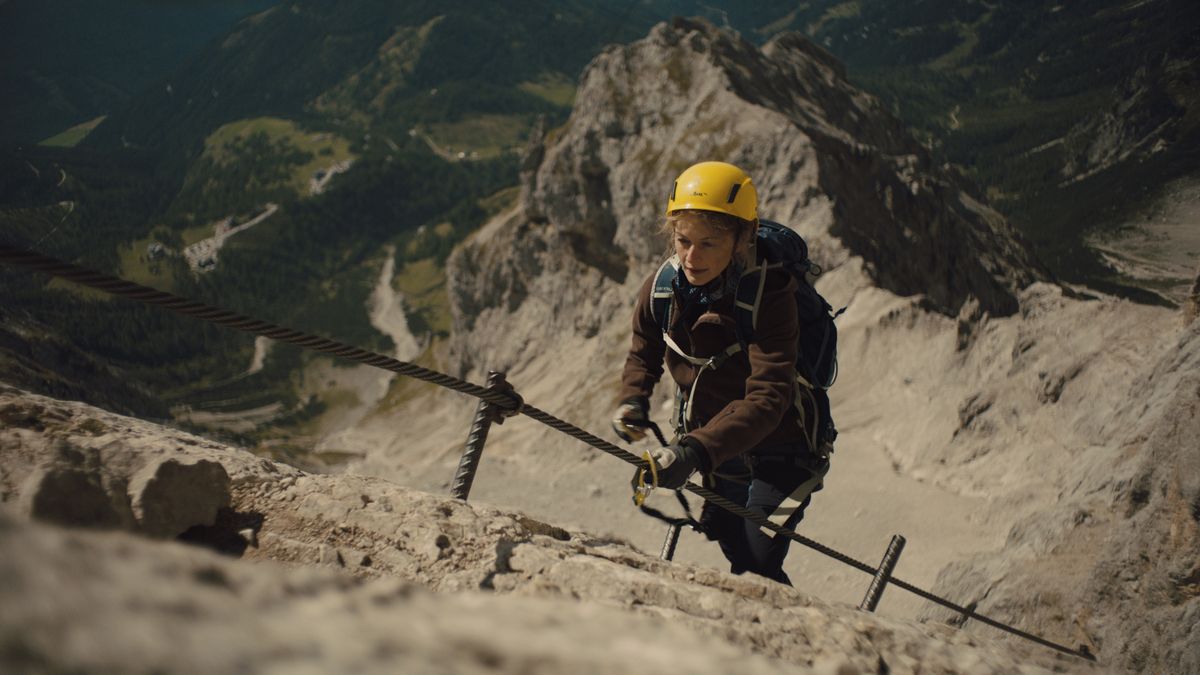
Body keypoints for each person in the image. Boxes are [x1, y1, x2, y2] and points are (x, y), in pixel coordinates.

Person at [612, 160, 830, 586]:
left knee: (756, 561)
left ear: (743, 239)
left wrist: (693, 450)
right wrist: (633, 399)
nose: (692, 257)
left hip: (783, 453)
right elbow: (644, 349)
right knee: (731, 539)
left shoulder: (770, 295)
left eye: (710, 244)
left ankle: (781, 647)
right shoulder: (664, 286)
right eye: (683, 240)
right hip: (718, 450)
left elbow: (768, 399)